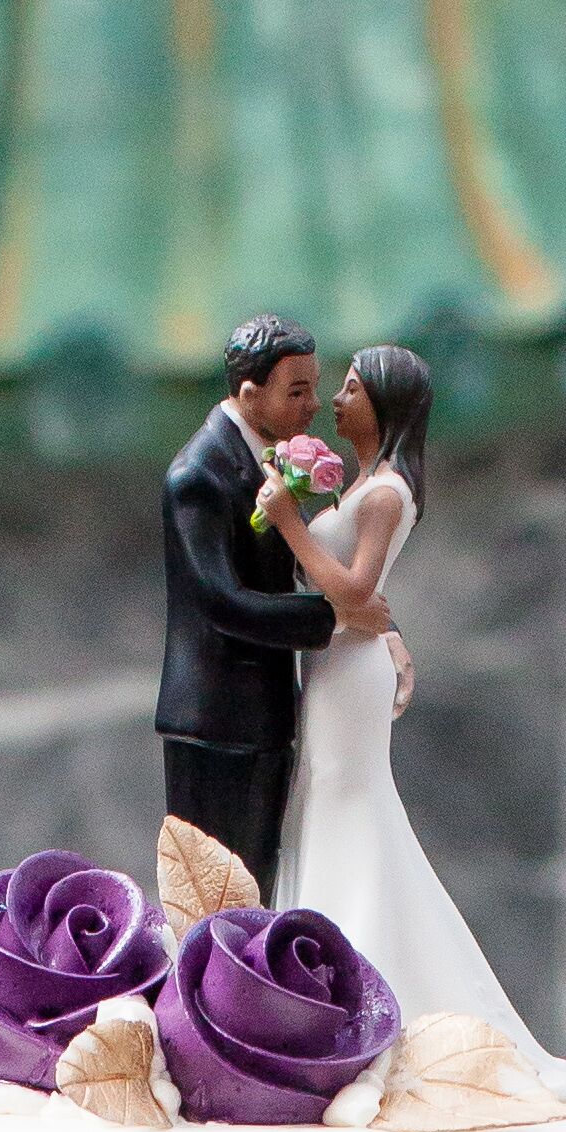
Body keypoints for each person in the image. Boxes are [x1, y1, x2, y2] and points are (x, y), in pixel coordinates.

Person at [265, 343, 566, 1077]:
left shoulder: (386, 493)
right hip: (334, 662)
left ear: (386, 404)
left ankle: (357, 967)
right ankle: (315, 967)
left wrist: (289, 521)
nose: (336, 401)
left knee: (349, 801)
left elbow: (355, 593)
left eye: (351, 389)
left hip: (348, 670)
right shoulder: (365, 482)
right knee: (323, 797)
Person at [159, 314, 320, 895]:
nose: (312, 406)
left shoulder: (267, 463)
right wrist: (330, 617)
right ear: (250, 394)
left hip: (264, 713)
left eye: (313, 388)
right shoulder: (198, 477)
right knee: (213, 891)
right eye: (296, 391)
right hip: (216, 718)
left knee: (259, 880)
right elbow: (223, 603)